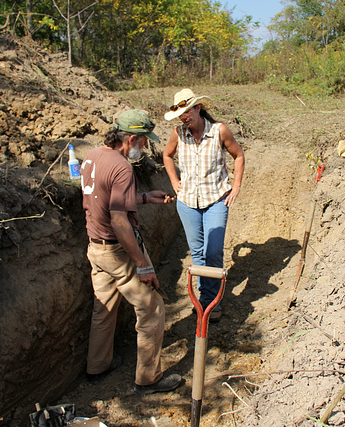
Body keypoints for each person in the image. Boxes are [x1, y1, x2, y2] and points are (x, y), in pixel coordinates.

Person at [80, 109, 183, 394]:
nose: (146, 147)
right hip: (118, 251)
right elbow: (118, 219)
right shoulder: (122, 167)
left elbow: (104, 198)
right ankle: (148, 379)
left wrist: (142, 198)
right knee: (152, 309)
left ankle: (97, 365)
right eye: (144, 142)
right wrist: (142, 263)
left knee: (104, 308)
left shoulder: (91, 156)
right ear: (133, 138)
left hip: (95, 248)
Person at [162, 88, 245, 323]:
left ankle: (213, 301)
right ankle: (205, 300)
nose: (184, 117)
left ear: (198, 108)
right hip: (187, 202)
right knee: (197, 253)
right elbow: (167, 156)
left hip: (216, 200)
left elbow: (238, 155)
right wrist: (174, 181)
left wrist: (236, 186)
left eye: (187, 111)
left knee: (213, 251)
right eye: (180, 114)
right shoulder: (178, 134)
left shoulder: (219, 131)